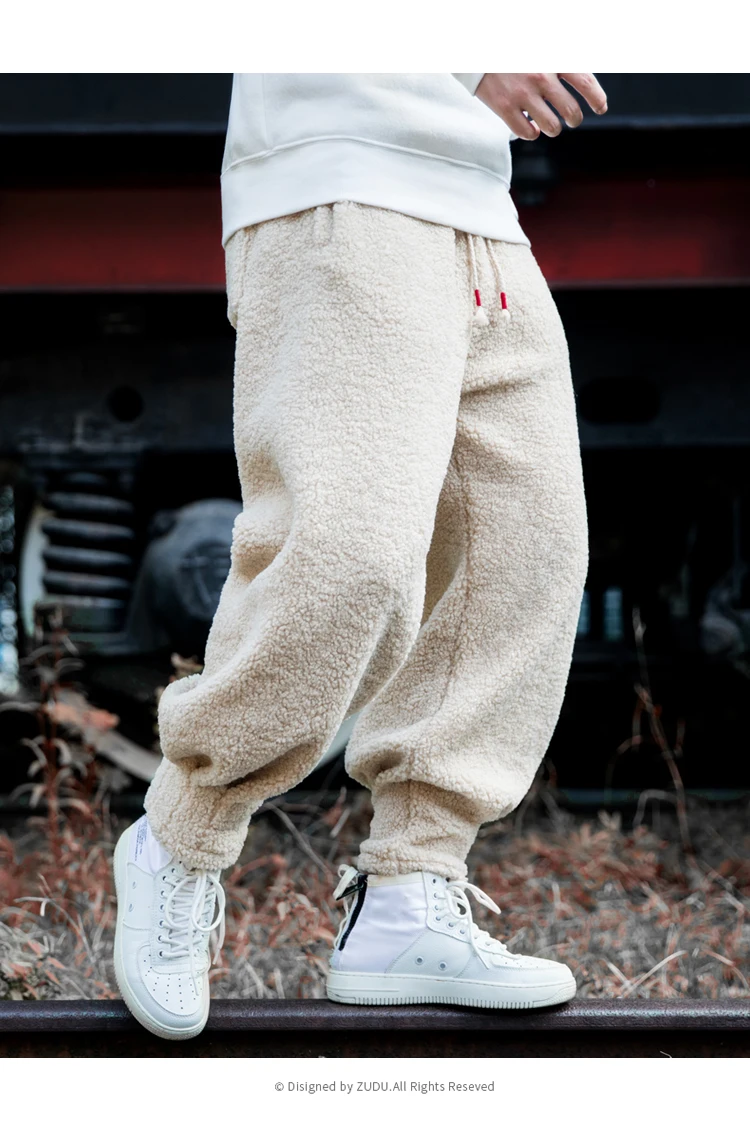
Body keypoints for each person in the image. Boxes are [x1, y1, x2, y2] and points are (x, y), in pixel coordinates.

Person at [113, 72, 607, 1039]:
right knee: (354, 560)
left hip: (482, 212)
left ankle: (409, 890)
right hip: (340, 183)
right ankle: (181, 833)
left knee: (529, 552)